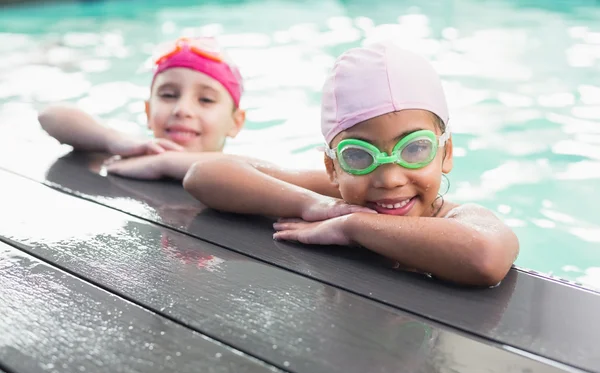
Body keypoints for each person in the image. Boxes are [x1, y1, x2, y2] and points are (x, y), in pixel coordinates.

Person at [182, 41, 520, 287]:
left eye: (414, 149)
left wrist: (352, 227)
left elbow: (486, 256)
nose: (388, 178)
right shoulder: (335, 199)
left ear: (446, 154)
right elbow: (205, 174)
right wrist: (315, 205)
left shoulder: (457, 219)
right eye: (358, 155)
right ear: (333, 168)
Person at [38, 36, 246, 180]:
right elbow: (50, 116)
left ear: (235, 123)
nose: (181, 109)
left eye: (206, 100)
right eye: (168, 95)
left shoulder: (243, 171)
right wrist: (114, 140)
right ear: (148, 112)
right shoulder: (141, 151)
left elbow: (243, 170)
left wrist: (165, 163)